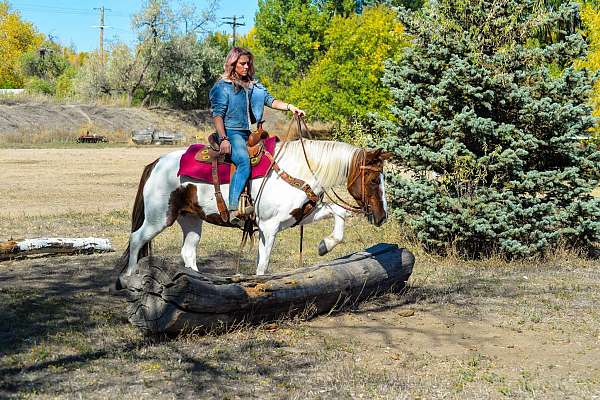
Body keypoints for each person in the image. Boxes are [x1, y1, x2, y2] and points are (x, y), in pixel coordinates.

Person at [209, 47, 305, 224]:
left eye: (248, 63)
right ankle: (233, 209)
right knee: (244, 162)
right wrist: (223, 138)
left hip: (251, 133)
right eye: (242, 63)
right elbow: (217, 115)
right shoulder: (223, 87)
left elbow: (271, 100)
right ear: (232, 64)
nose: (246, 67)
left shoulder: (255, 86)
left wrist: (291, 107)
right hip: (232, 131)